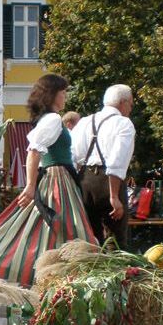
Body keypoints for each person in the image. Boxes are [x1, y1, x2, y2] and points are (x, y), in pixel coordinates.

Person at [0, 74, 96, 287]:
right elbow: (34, 151)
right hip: (57, 179)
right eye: (63, 92)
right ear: (52, 94)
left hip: (60, 177)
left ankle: (56, 273)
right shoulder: (53, 119)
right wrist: (29, 185)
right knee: (64, 225)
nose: (65, 96)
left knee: (51, 226)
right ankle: (60, 273)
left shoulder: (50, 118)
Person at [70, 84, 135, 249]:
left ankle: (89, 272)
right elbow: (116, 162)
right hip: (108, 182)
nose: (130, 109)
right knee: (115, 241)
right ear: (122, 102)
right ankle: (117, 274)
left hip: (85, 181)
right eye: (131, 104)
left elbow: (73, 156)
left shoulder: (84, 122)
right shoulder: (123, 124)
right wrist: (114, 196)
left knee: (90, 239)